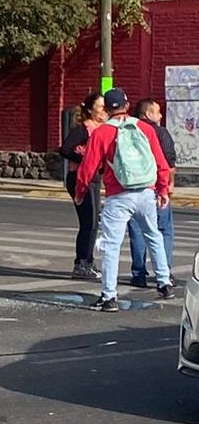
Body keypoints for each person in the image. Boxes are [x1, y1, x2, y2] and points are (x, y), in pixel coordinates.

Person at [74, 88, 173, 312]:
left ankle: (109, 297)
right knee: (153, 235)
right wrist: (163, 188)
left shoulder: (102, 133)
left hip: (118, 195)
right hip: (146, 192)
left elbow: (88, 167)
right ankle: (164, 283)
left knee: (112, 245)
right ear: (127, 106)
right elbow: (160, 161)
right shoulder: (145, 129)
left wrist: (80, 192)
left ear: (107, 109)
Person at [128, 97, 176, 287]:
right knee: (163, 230)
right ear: (148, 114)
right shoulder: (159, 133)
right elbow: (169, 161)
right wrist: (169, 184)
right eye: (157, 111)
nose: (161, 115)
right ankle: (163, 271)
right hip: (157, 187)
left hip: (133, 187)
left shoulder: (129, 131)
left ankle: (138, 273)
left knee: (138, 231)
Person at [59, 91, 106, 279]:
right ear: (90, 109)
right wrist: (85, 160)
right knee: (88, 221)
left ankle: (88, 260)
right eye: (101, 107)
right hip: (79, 177)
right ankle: (81, 264)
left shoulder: (102, 128)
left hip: (93, 178)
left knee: (94, 222)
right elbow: (65, 149)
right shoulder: (84, 129)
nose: (105, 111)